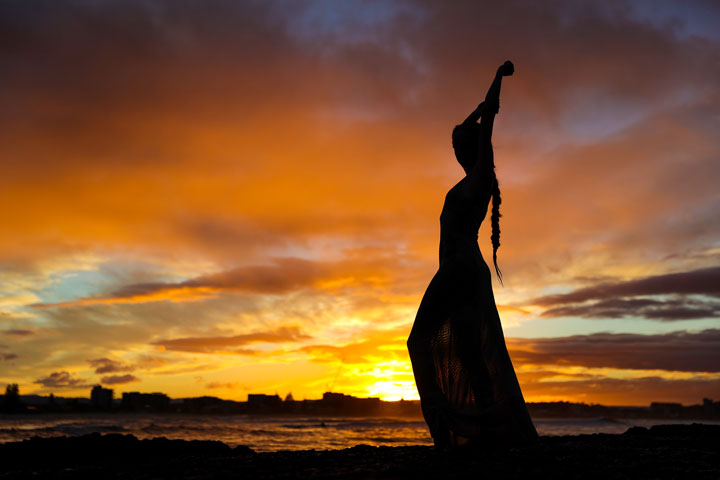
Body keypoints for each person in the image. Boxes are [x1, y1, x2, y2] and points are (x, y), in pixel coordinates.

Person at [407, 61, 538, 451]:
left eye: (459, 144)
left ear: (472, 147)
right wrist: (477, 113)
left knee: (420, 340)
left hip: (461, 269)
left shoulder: (480, 178)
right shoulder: (466, 181)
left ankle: (456, 431)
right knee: (468, 352)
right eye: (453, 146)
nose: (454, 149)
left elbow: (489, 124)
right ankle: (486, 433)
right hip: (458, 271)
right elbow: (476, 123)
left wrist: (497, 80)